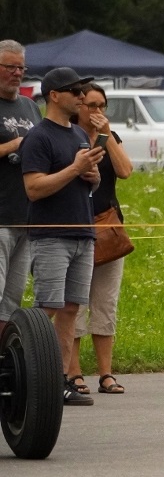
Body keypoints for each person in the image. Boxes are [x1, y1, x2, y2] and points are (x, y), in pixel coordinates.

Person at [19, 67, 103, 406]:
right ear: (54, 95)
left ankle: (60, 379)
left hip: (83, 233)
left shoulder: (79, 136)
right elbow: (34, 188)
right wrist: (75, 169)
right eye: (74, 90)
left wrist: (92, 176)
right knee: (47, 309)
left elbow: (86, 182)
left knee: (70, 310)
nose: (82, 96)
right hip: (51, 235)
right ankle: (32, 377)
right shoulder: (38, 137)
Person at [67, 84, 132, 395]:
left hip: (106, 226)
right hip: (72, 227)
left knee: (105, 303)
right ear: (77, 106)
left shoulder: (109, 136)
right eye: (91, 105)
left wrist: (107, 135)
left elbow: (125, 171)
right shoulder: (65, 136)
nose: (97, 112)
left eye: (102, 105)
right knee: (74, 303)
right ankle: (73, 371)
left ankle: (106, 373)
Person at [0, 40, 40, 337]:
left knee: (12, 300)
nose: (17, 73)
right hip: (0, 217)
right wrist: (15, 145)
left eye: (20, 67)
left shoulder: (30, 107)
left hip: (27, 216)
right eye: (9, 67)